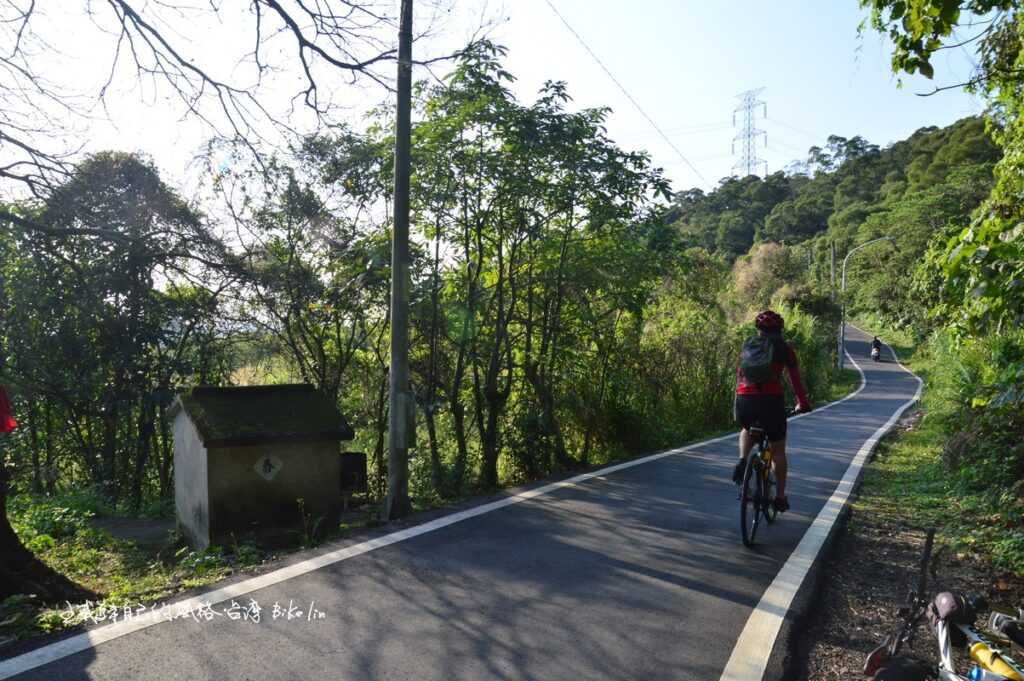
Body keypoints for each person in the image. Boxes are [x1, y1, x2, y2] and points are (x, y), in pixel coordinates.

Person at [732, 310, 811, 513]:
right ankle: (780, 497)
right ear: (779, 330)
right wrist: (802, 403)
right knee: (777, 451)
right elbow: (795, 381)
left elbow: (739, 377)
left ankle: (742, 460)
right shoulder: (785, 349)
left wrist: (739, 402)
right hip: (770, 402)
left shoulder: (747, 346)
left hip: (744, 400)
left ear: (758, 330)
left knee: (747, 428)